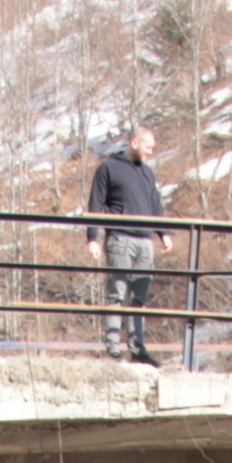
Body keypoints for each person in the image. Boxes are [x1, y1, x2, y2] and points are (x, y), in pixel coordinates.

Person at [85, 126, 168, 364]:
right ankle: (113, 349)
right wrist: (93, 238)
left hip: (145, 241)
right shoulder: (109, 168)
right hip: (120, 239)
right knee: (116, 294)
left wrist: (164, 233)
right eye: (148, 147)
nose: (151, 152)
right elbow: (95, 203)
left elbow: (155, 204)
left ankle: (138, 350)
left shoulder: (147, 173)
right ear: (134, 143)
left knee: (139, 298)